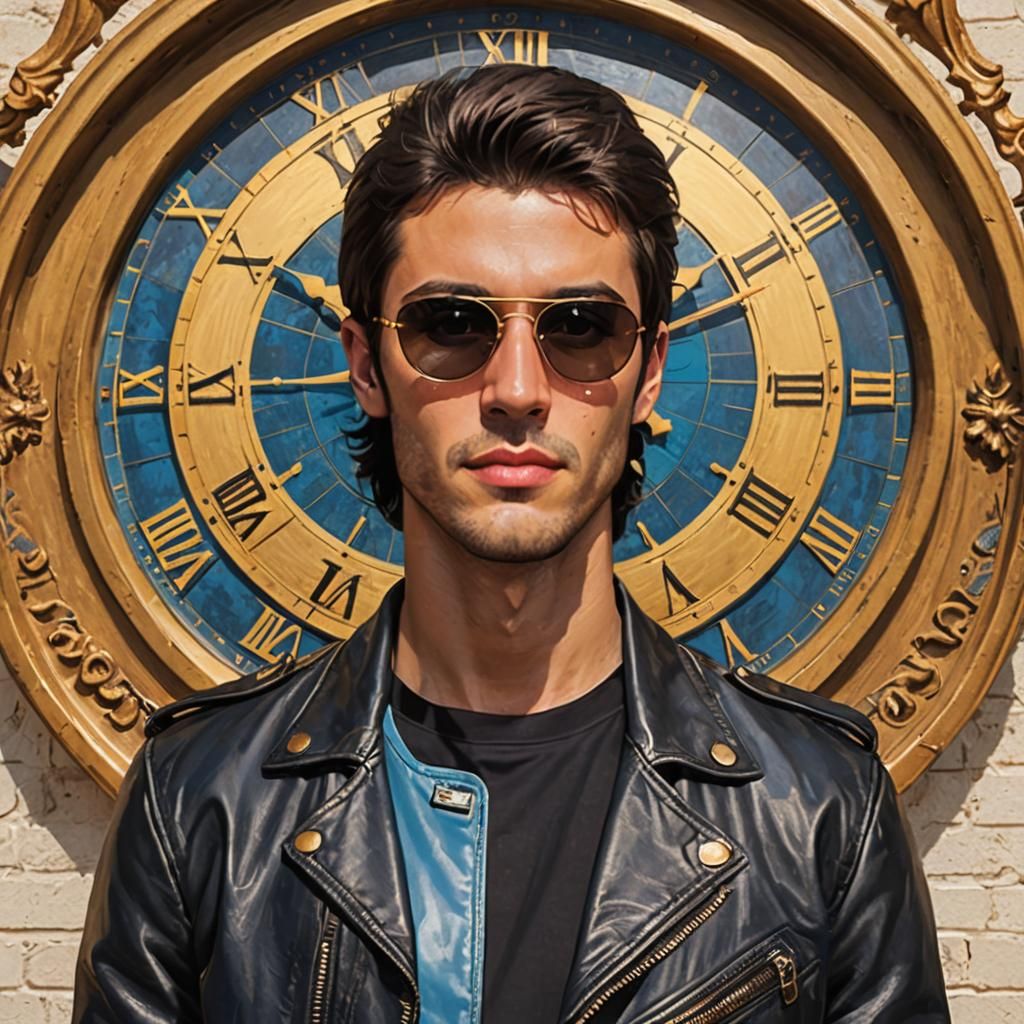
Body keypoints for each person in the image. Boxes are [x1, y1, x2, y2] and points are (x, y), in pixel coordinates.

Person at [73, 63, 950, 1023]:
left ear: (648, 372)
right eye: (452, 325)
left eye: (580, 328)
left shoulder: (823, 808)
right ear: (368, 364)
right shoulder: (197, 803)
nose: (519, 388)